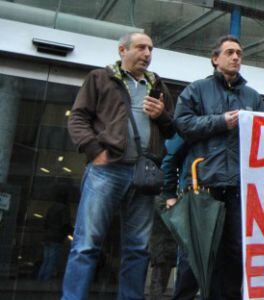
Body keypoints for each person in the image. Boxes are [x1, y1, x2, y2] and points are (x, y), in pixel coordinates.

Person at [64, 32, 174, 299]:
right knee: (86, 245)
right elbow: (78, 118)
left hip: (143, 175)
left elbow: (171, 129)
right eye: (141, 47)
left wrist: (161, 116)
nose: (147, 53)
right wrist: (95, 152)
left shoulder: (157, 84)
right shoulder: (100, 78)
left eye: (150, 48)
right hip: (106, 170)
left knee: (138, 248)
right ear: (122, 50)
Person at [173, 35, 264, 299]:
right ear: (215, 59)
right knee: (195, 255)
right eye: (229, 52)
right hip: (203, 184)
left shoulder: (251, 96)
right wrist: (220, 122)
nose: (236, 57)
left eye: (239, 53)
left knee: (233, 255)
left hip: (238, 187)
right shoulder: (196, 89)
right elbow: (182, 124)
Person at [37, 189, 71, 281]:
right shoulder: (64, 209)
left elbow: (45, 223)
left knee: (46, 260)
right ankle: (45, 281)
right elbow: (65, 224)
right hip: (56, 237)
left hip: (47, 236)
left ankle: (40, 280)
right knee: (52, 261)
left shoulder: (51, 208)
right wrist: (70, 233)